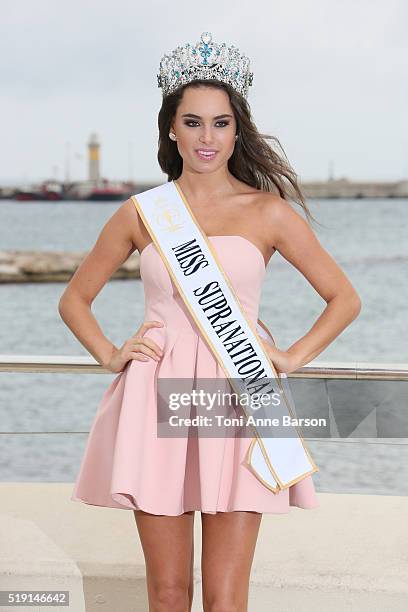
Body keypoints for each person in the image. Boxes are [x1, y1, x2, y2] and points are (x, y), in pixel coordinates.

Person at [59, 31, 361, 612]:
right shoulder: (144, 213)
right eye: (193, 122)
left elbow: (343, 298)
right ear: (171, 128)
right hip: (154, 394)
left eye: (220, 123)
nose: (207, 137)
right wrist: (110, 352)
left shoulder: (268, 211)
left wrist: (292, 356)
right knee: (168, 595)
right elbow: (75, 298)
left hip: (241, 393)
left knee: (226, 598)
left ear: (237, 130)